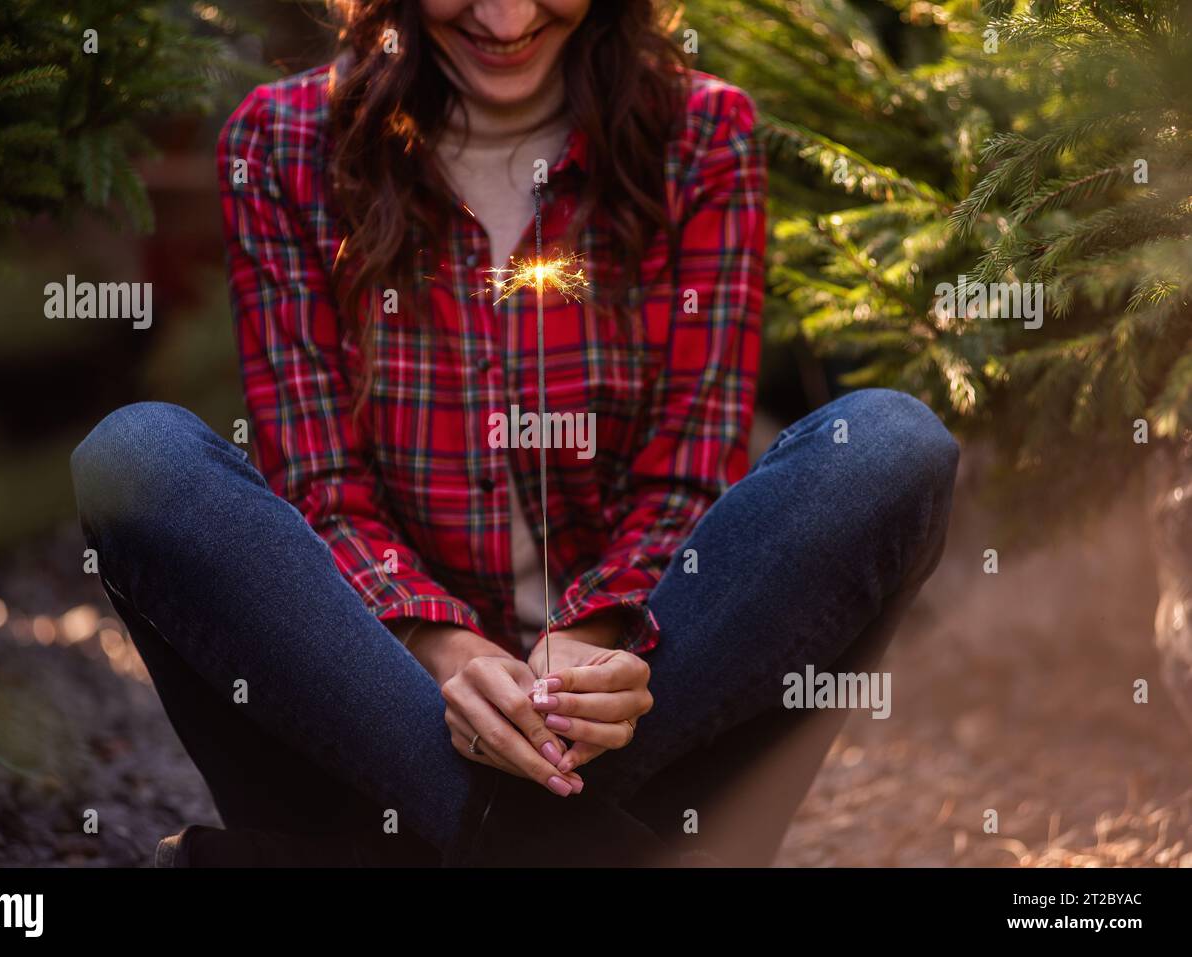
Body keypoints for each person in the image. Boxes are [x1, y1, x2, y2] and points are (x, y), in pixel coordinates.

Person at [70, 0, 958, 866]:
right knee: (140, 458)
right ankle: (574, 851)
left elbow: (686, 477)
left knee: (888, 446)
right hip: (375, 733)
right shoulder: (281, 141)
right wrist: (444, 652)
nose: (504, 21)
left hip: (633, 717)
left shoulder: (703, 132)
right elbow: (322, 489)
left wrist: (594, 639)